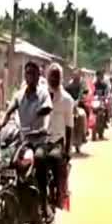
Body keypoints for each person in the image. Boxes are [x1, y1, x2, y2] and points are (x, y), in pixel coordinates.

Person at [1, 61, 54, 203]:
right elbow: (9, 111)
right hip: (22, 140)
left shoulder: (43, 95)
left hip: (38, 140)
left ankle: (43, 199)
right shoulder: (19, 95)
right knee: (6, 159)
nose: (29, 75)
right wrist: (1, 124)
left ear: (38, 76)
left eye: (32, 73)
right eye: (27, 72)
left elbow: (47, 112)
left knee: (40, 158)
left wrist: (44, 128)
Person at [46, 63, 74, 209]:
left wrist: (67, 150)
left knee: (57, 160)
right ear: (47, 76)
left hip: (57, 141)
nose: (54, 79)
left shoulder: (67, 100)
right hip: (39, 139)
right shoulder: (40, 94)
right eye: (52, 75)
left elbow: (69, 126)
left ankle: (59, 194)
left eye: (57, 76)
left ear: (61, 78)